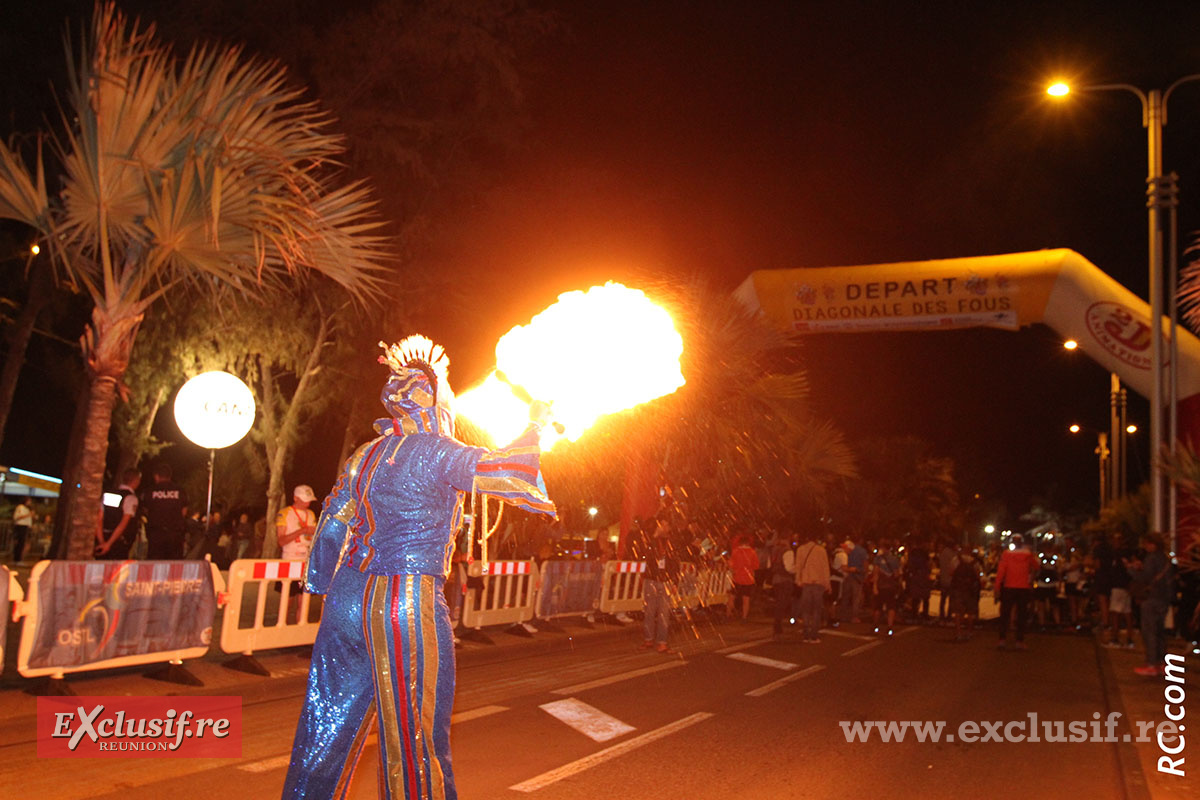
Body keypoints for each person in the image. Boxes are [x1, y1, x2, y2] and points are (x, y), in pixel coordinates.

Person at [283, 335, 556, 800]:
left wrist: (319, 579)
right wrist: (537, 427)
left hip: (347, 598)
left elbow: (332, 521)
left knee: (325, 720)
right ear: (432, 398)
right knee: (414, 736)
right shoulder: (438, 451)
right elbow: (508, 472)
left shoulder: (364, 454)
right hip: (402, 600)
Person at [1127, 533, 1174, 677]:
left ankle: (1152, 664)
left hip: (1152, 597)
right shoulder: (1165, 559)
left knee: (1149, 631)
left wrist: (1131, 569)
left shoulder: (1152, 558)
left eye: (1146, 544)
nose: (1145, 547)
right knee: (1160, 632)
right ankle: (1161, 662)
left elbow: (1144, 578)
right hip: (1164, 598)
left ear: (1152, 544)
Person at [634, 516, 680, 652]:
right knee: (649, 612)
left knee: (664, 614)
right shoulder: (651, 541)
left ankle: (662, 642)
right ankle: (648, 640)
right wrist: (654, 536)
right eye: (662, 524)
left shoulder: (672, 542)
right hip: (651, 580)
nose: (664, 527)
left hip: (665, 581)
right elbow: (645, 555)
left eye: (666, 525)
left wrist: (675, 582)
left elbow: (676, 564)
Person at [995, 533, 1037, 650]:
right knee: (1021, 615)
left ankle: (1002, 639)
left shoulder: (1006, 554)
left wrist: (997, 587)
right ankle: (1019, 640)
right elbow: (1037, 566)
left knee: (1005, 614)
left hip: (1008, 587)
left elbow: (1001, 571)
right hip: (1023, 588)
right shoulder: (1028, 554)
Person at [141, 463, 188, 560]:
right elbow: (184, 512)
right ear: (169, 476)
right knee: (174, 564)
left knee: (155, 564)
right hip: (175, 534)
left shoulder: (150, 491)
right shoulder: (180, 491)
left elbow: (146, 510)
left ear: (156, 476)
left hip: (156, 534)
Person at [96, 468, 141, 560]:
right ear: (136, 481)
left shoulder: (107, 494)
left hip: (104, 538)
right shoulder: (131, 498)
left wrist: (102, 542)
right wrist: (109, 544)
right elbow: (123, 523)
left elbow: (99, 518)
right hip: (119, 542)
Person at [793, 535, 831, 642]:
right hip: (819, 584)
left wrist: (798, 580)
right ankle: (814, 635)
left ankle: (806, 633)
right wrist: (827, 583)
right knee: (816, 610)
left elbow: (798, 566)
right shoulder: (821, 550)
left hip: (806, 583)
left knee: (806, 610)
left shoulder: (801, 550)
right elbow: (825, 567)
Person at [950, 547, 983, 641]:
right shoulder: (975, 562)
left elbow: (951, 572)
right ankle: (969, 632)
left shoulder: (956, 560)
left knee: (957, 612)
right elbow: (978, 575)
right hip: (970, 590)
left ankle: (958, 633)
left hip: (958, 588)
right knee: (970, 612)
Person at [277, 485, 318, 561]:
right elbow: (281, 541)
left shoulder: (311, 514)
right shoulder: (285, 513)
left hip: (308, 558)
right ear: (295, 498)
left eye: (309, 500)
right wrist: (301, 531)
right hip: (290, 557)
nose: (307, 503)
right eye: (304, 500)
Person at [871, 539, 902, 636]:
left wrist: (874, 586)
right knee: (891, 606)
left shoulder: (878, 559)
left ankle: (875, 625)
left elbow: (875, 573)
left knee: (878, 607)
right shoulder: (894, 559)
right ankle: (890, 626)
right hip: (891, 586)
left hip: (880, 585)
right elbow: (897, 574)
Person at [768, 535, 795, 639]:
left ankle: (778, 625)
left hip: (776, 579)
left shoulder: (774, 550)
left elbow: (769, 564)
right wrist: (797, 569)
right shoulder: (788, 551)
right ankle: (778, 627)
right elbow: (789, 568)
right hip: (785, 579)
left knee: (779, 602)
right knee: (783, 602)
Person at [729, 534, 759, 619]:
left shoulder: (735, 551)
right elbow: (756, 566)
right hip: (748, 579)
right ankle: (744, 617)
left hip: (737, 577)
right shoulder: (752, 552)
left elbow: (731, 565)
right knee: (746, 599)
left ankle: (728, 614)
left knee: (732, 596)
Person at [839, 538, 867, 623]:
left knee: (854, 598)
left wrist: (856, 570)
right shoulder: (847, 554)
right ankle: (846, 616)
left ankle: (851, 616)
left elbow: (865, 566)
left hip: (855, 576)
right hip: (851, 576)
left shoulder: (859, 552)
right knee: (849, 597)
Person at [937, 539, 958, 623]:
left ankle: (941, 615)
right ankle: (949, 615)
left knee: (943, 599)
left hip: (943, 578)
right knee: (951, 599)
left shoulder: (942, 554)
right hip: (951, 579)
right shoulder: (953, 555)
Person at [11, 498, 33, 562]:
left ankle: (19, 558)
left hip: (26, 526)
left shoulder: (27, 509)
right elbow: (17, 517)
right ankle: (17, 558)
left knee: (23, 543)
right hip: (21, 526)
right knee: (20, 542)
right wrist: (28, 515)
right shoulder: (20, 507)